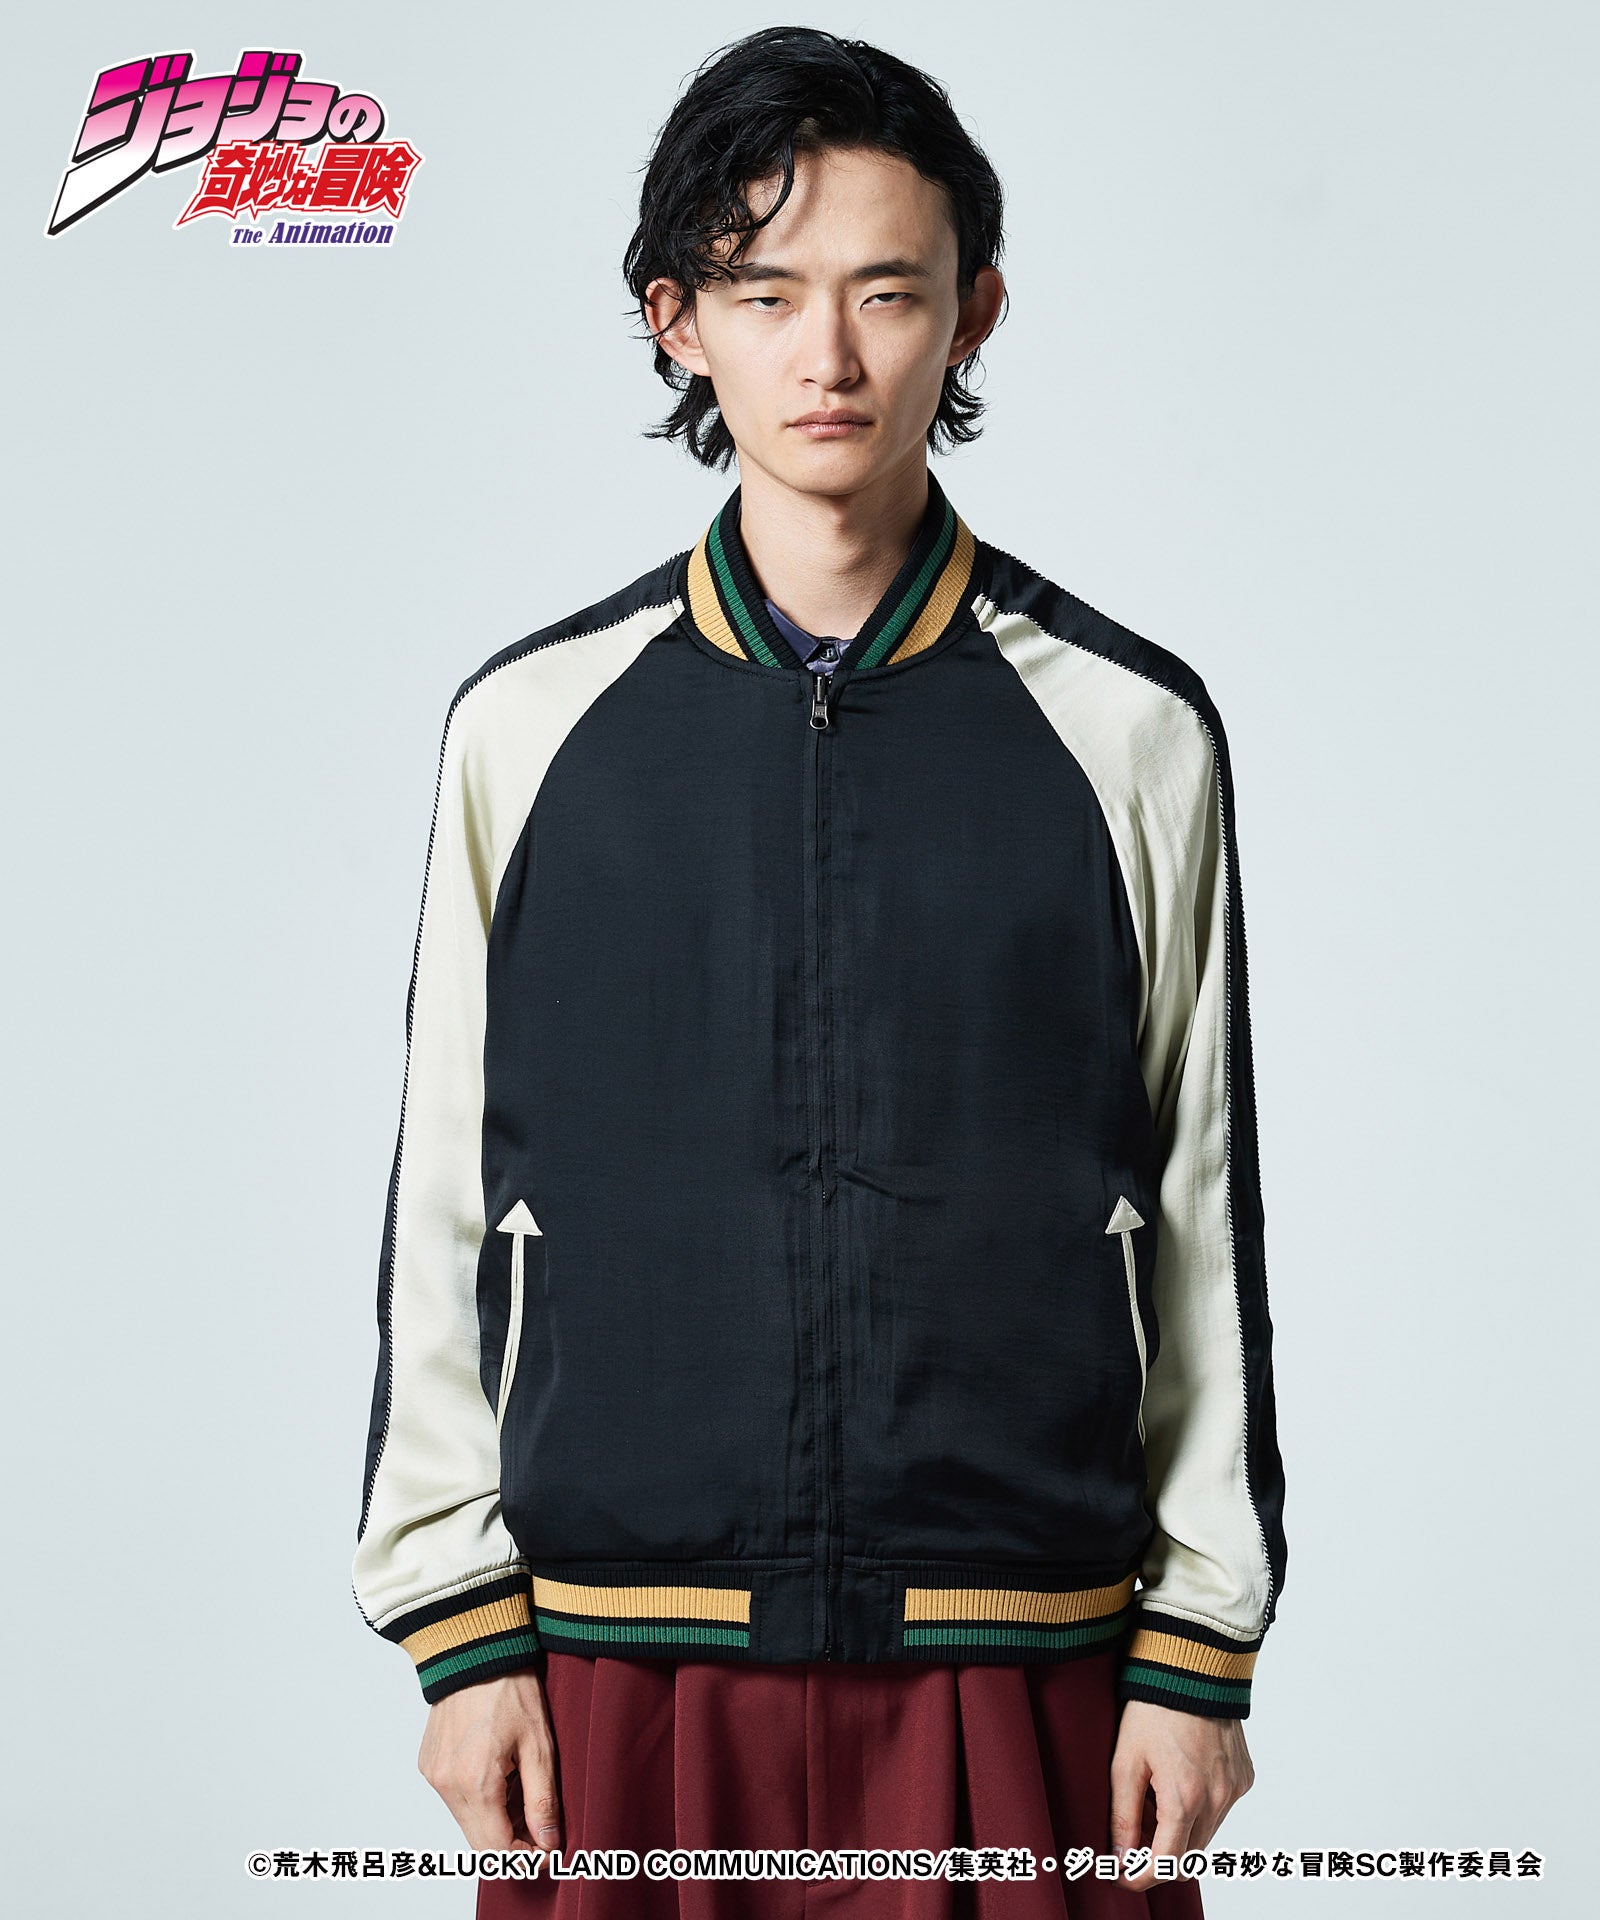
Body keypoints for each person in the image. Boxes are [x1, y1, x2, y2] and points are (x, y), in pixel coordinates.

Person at [350, 26, 1288, 1917]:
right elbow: (448, 1185)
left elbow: (1201, 1205)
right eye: (766, 294)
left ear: (975, 310)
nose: (829, 357)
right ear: (677, 322)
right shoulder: (528, 729)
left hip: (1022, 1646)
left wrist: (1199, 1645)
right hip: (618, 1656)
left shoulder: (1131, 734)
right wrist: (456, 1621)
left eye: (886, 291)